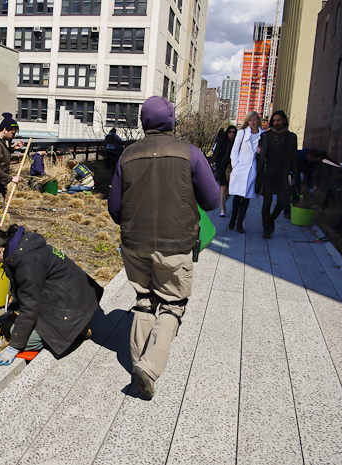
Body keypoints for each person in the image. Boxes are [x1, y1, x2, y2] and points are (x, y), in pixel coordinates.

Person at [107, 96, 219, 399]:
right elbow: (211, 201)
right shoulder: (190, 153)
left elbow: (115, 209)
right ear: (172, 122)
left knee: (144, 299)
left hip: (134, 244)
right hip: (175, 245)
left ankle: (138, 363)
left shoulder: (127, 156)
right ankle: (150, 366)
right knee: (172, 303)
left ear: (143, 122)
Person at [0, 225, 103, 365]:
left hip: (72, 306)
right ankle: (79, 322)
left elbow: (30, 306)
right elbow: (30, 286)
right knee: (24, 323)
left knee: (19, 334)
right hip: (83, 294)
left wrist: (14, 346)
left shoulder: (26, 262)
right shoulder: (25, 245)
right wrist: (17, 302)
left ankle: (78, 328)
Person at [255, 110, 298, 239]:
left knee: (283, 201)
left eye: (278, 120)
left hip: (282, 173)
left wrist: (295, 176)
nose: (276, 123)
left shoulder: (291, 137)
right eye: (274, 121)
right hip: (268, 172)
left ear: (284, 120)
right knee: (267, 201)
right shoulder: (266, 136)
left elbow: (294, 158)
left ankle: (271, 219)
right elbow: (259, 154)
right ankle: (266, 228)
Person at [229, 111, 262, 233]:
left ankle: (239, 223)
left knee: (246, 198)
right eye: (250, 120)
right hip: (241, 168)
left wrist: (260, 153)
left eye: (254, 120)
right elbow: (234, 151)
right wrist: (236, 166)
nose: (252, 122)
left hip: (253, 170)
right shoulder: (242, 133)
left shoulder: (263, 135)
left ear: (258, 120)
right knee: (237, 197)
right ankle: (233, 219)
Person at [214, 125, 237, 217]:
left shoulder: (237, 143)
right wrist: (219, 167)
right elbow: (217, 155)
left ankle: (222, 202)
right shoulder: (222, 142)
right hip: (223, 169)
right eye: (230, 132)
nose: (232, 134)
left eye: (234, 132)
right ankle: (222, 209)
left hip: (233, 169)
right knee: (223, 188)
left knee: (230, 190)